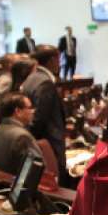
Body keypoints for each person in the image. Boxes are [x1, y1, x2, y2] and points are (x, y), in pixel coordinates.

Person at [21, 47, 69, 186]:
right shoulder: (45, 83)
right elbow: (41, 118)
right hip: (50, 141)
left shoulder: (31, 78)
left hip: (39, 141)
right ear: (52, 60)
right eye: (59, 59)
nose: (59, 63)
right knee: (58, 184)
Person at [0, 93, 42, 174]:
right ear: (18, 111)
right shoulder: (21, 136)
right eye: (29, 108)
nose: (33, 111)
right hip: (23, 185)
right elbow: (36, 169)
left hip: (6, 182)